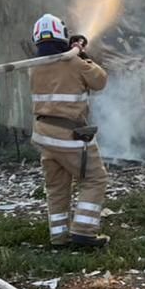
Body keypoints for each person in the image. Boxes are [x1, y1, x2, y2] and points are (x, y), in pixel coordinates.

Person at [29, 14, 109, 249]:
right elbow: (100, 81)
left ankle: (59, 237)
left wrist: (73, 51)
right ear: (62, 37)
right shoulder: (74, 63)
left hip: (44, 134)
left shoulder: (33, 67)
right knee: (95, 179)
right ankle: (83, 232)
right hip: (69, 135)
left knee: (56, 186)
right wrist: (82, 54)